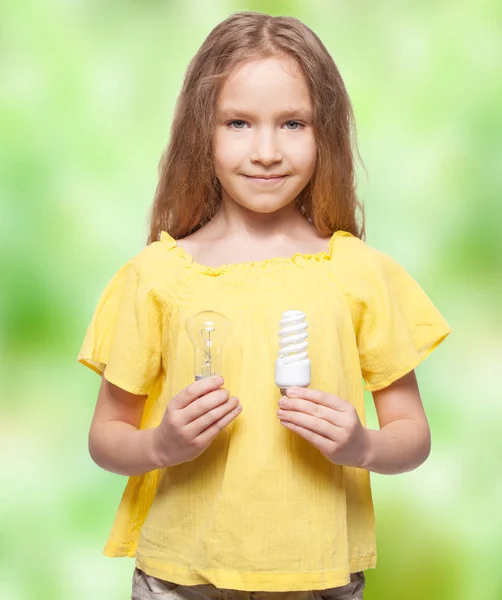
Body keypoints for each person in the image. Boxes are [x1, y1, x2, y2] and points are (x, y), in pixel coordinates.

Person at [77, 11, 451, 600]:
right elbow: (106, 436)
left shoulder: (357, 272)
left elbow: (413, 435)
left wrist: (364, 445)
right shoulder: (156, 275)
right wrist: (158, 446)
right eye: (240, 123)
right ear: (202, 131)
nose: (267, 151)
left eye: (293, 123)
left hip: (320, 575)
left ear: (324, 132)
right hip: (181, 576)